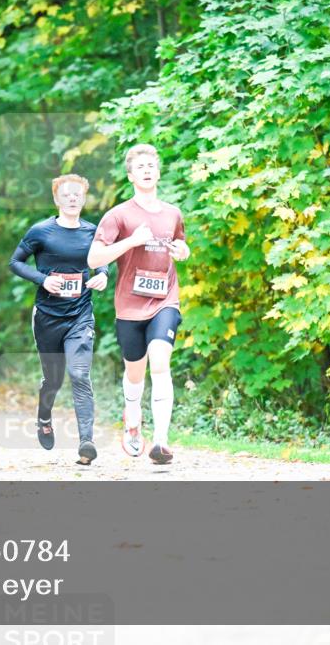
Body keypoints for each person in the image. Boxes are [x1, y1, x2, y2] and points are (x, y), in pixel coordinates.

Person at [87, 144, 190, 464]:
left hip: (165, 300)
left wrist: (182, 251)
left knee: (160, 362)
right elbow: (94, 258)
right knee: (136, 371)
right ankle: (132, 418)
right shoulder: (118, 215)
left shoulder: (173, 213)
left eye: (151, 165)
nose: (147, 170)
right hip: (129, 306)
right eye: (140, 166)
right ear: (131, 176)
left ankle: (160, 441)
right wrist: (131, 240)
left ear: (158, 172)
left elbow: (181, 242)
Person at [9, 174, 108, 465]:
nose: (72, 198)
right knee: (53, 380)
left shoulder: (92, 232)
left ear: (84, 198)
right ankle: (44, 416)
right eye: (66, 194)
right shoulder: (41, 231)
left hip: (80, 315)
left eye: (77, 194)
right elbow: (15, 262)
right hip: (48, 317)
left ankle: (86, 443)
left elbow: (102, 262)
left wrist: (102, 275)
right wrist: (43, 280)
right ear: (57, 199)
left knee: (79, 375)